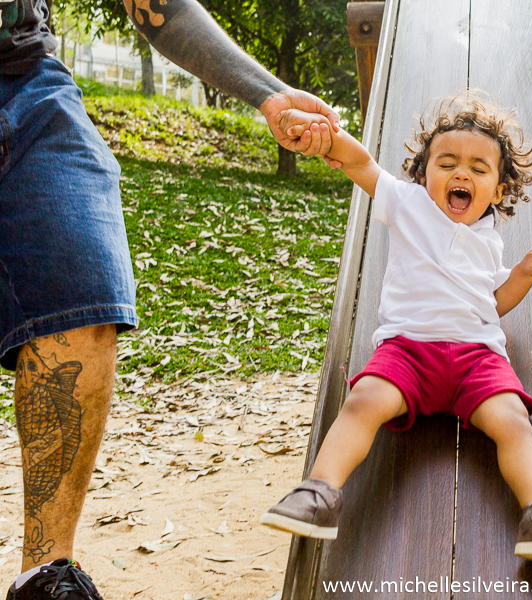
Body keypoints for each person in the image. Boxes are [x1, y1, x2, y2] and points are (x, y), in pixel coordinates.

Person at [0, 0, 339, 597]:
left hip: (29, 82)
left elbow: (163, 8)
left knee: (82, 293)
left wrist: (269, 94)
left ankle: (46, 578)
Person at [260, 94, 532, 563]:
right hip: (406, 351)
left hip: (476, 356)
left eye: (479, 169)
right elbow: (360, 164)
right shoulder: (407, 203)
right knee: (363, 401)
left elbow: (493, 303)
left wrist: (522, 273)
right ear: (424, 176)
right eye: (447, 163)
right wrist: (327, 138)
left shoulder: (489, 237)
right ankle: (319, 494)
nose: (462, 174)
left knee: (513, 421)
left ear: (498, 191)